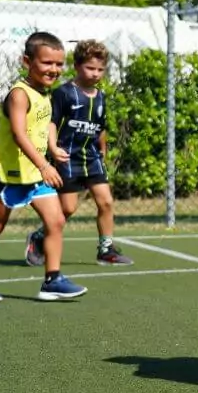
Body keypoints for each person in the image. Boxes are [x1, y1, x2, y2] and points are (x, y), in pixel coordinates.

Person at [0, 32, 88, 303]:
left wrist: (52, 149)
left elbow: (43, 128)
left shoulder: (45, 95)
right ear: (27, 61)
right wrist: (44, 165)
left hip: (35, 175)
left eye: (58, 64)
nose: (54, 69)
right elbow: (20, 134)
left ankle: (52, 280)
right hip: (9, 175)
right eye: (47, 63)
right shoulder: (19, 94)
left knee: (55, 221)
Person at [25, 39, 133, 268]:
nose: (95, 73)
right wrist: (53, 148)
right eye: (90, 68)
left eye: (100, 69)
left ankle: (106, 249)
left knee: (106, 202)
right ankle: (38, 237)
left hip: (92, 158)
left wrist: (103, 149)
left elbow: (100, 127)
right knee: (68, 209)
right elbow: (51, 123)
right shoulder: (64, 93)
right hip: (68, 158)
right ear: (77, 66)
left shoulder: (101, 97)